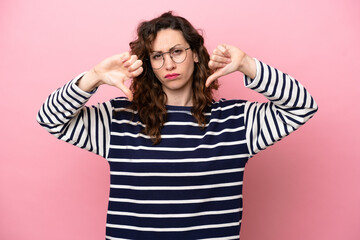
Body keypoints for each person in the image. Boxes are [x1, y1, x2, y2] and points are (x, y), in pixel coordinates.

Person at [37, 11, 318, 240]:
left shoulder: (237, 122)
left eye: (177, 51)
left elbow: (303, 105)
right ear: (149, 64)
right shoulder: (119, 120)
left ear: (196, 54)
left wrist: (248, 65)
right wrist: (93, 78)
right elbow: (50, 118)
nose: (169, 63)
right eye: (157, 56)